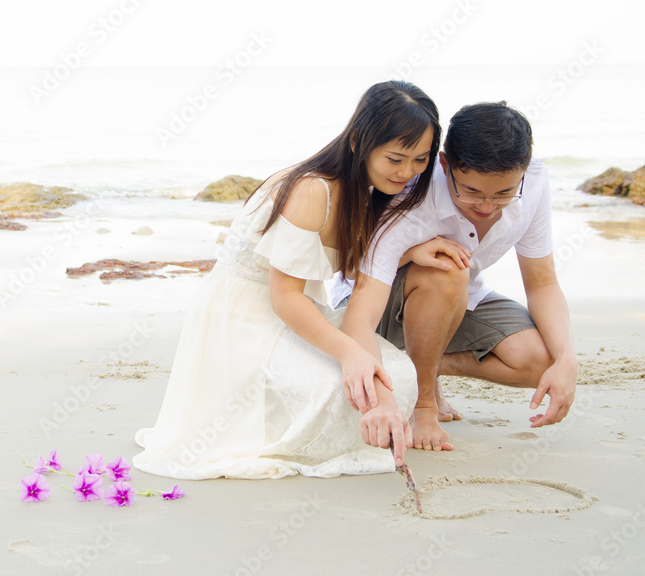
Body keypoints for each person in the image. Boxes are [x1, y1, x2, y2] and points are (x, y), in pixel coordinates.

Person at [133, 80, 440, 480]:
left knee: (395, 377)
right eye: (396, 158)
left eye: (420, 160)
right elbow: (284, 297)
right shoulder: (313, 190)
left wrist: (407, 252)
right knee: (331, 388)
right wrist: (349, 354)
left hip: (294, 310)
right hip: (244, 317)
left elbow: (345, 266)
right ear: (358, 142)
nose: (408, 172)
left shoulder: (366, 191)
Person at [341, 101, 578, 452]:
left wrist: (567, 360)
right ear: (444, 164)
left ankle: (422, 363)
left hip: (457, 303)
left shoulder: (536, 184)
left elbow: (542, 281)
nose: (486, 206)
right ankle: (424, 402)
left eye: (502, 194)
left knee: (541, 361)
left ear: (524, 172)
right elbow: (357, 301)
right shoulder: (412, 198)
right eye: (470, 192)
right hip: (379, 306)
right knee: (450, 270)